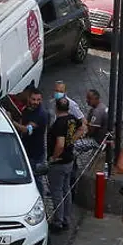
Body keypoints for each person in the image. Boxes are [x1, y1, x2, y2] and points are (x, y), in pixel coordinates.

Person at [46, 98, 78, 231]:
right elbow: (82, 127)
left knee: (57, 192)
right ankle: (66, 218)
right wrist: (73, 140)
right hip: (69, 159)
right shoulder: (72, 119)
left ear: (56, 108)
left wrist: (53, 158)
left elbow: (59, 144)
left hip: (59, 163)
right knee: (66, 190)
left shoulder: (59, 124)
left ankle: (58, 221)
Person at [10, 87, 50, 194]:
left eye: (38, 100)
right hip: (26, 150)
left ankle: (40, 199)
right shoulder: (27, 109)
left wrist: (11, 121)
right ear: (28, 98)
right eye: (33, 99)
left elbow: (26, 130)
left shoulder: (40, 114)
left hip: (35, 155)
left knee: (37, 181)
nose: (36, 102)